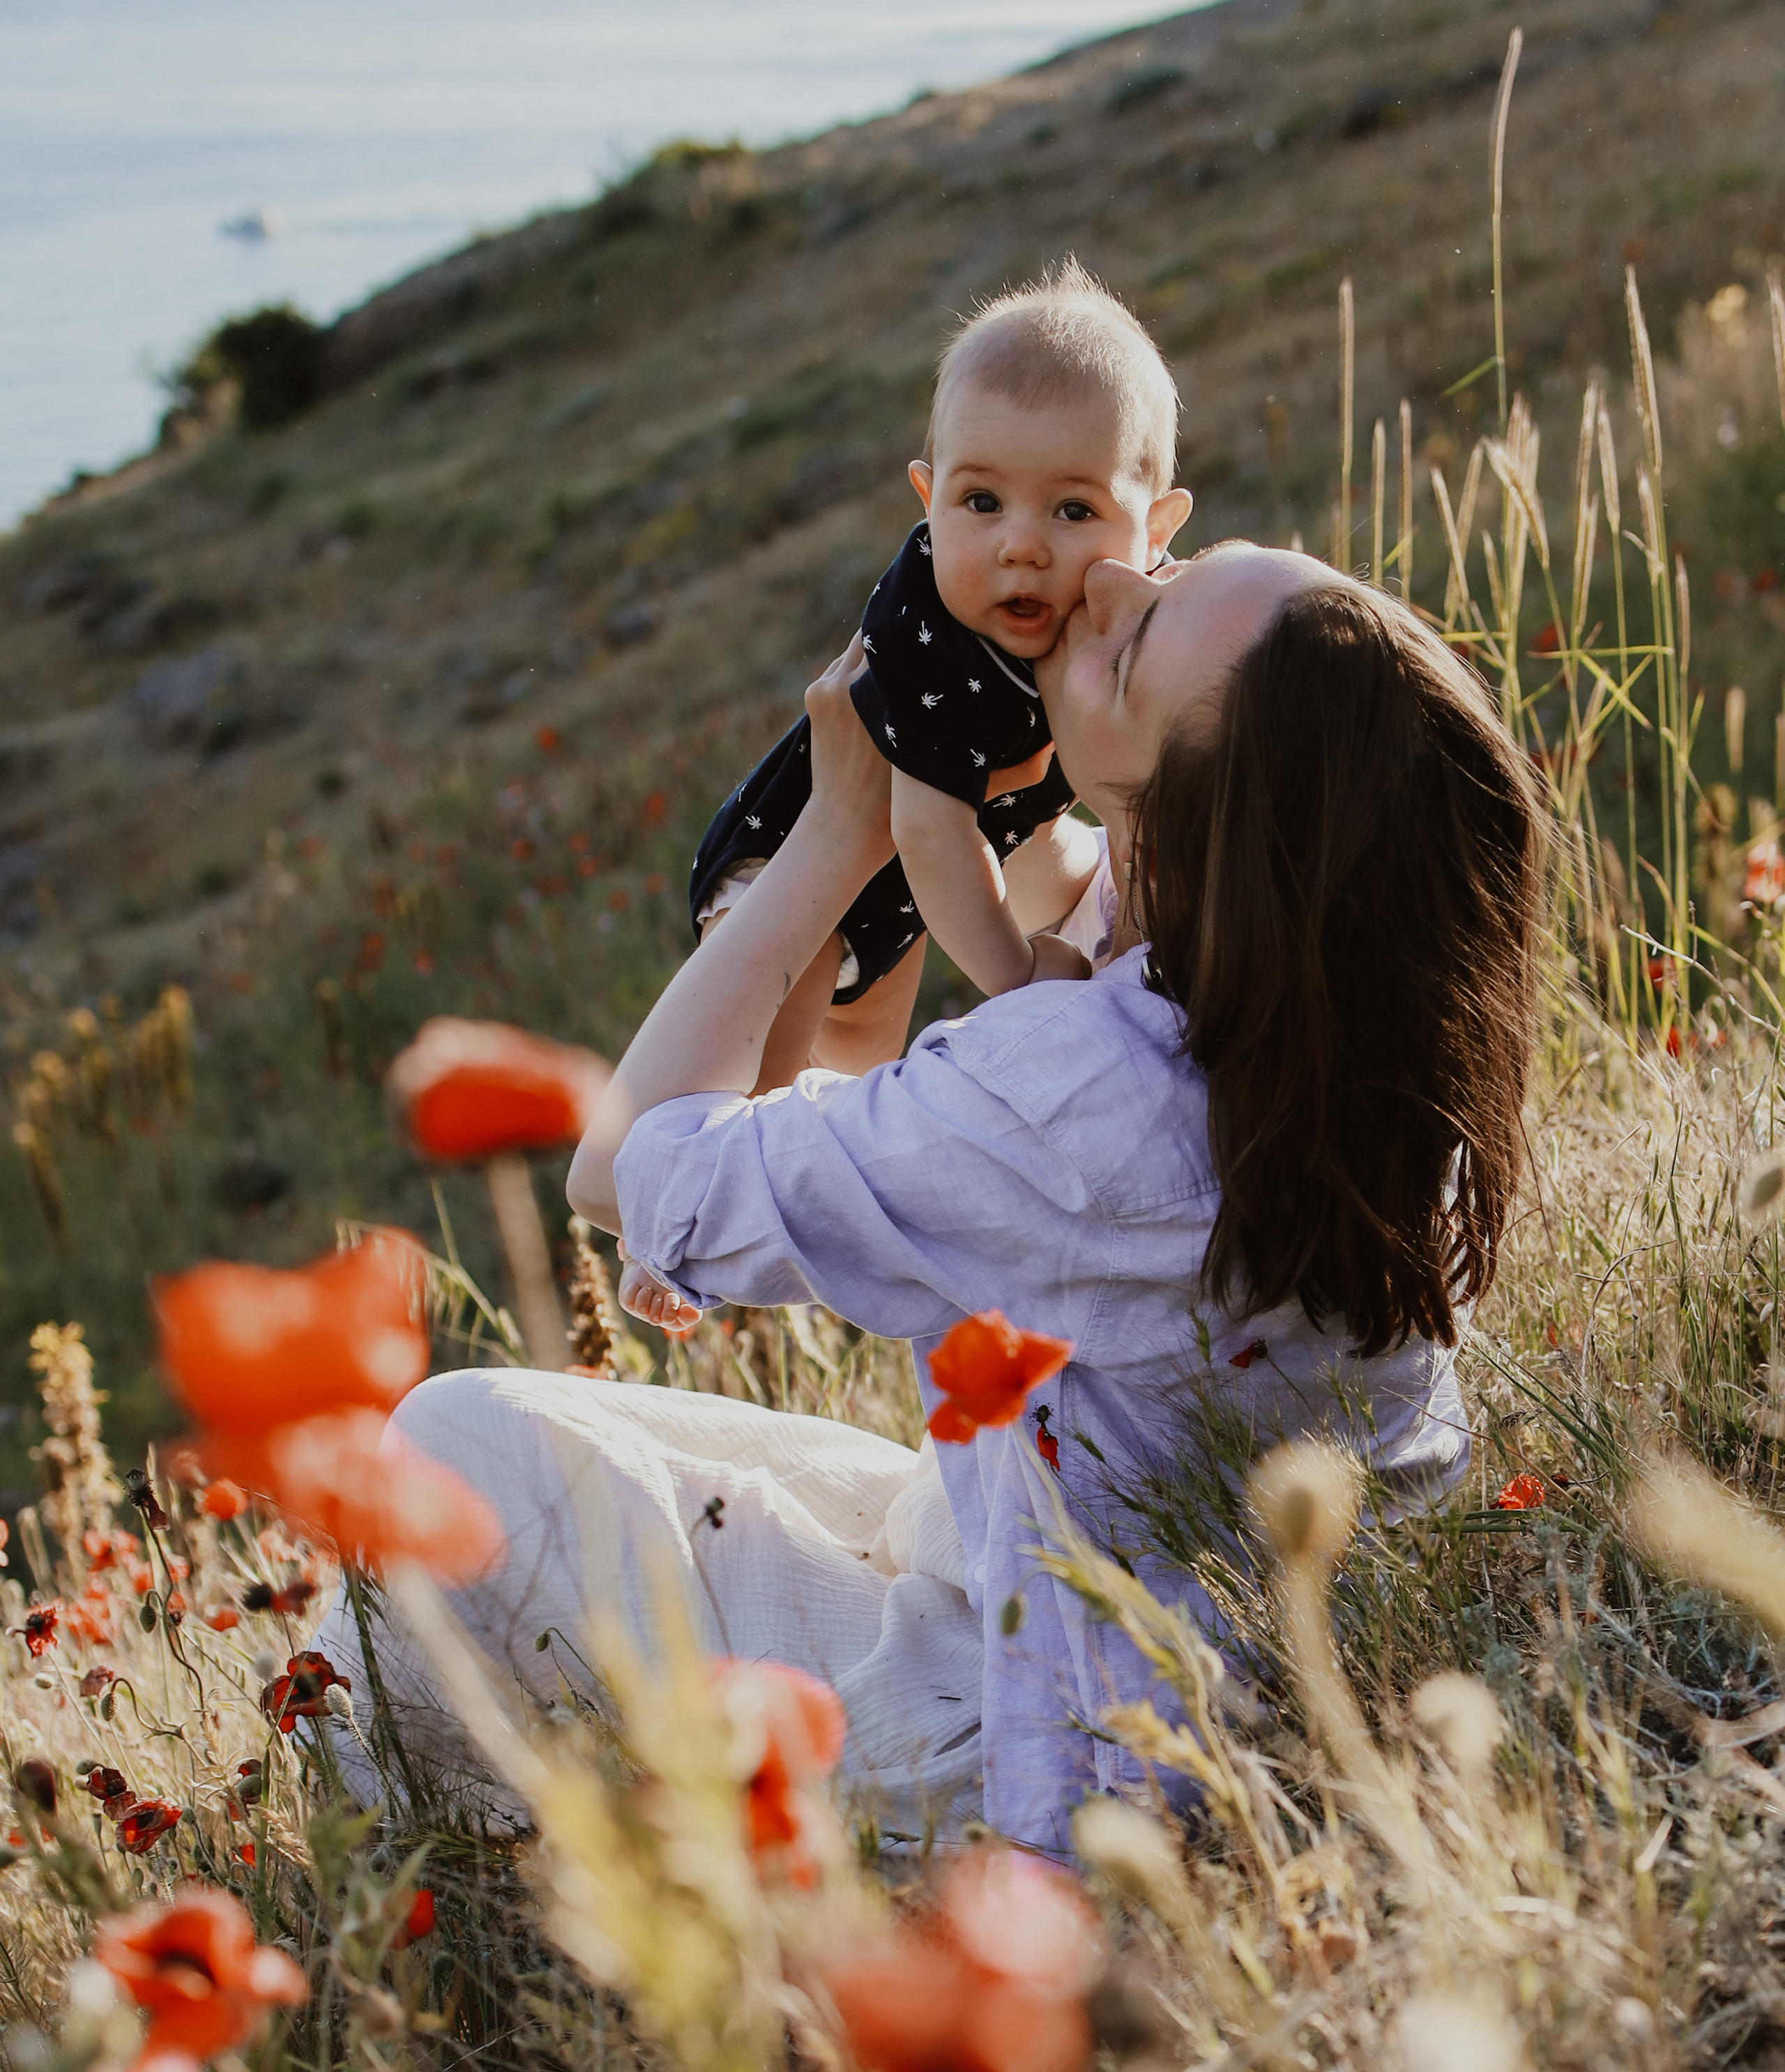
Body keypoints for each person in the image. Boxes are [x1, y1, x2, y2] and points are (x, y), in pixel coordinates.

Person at [312, 542, 1544, 1857]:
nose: (1113, 579)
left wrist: (832, 836)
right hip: (1138, 1589)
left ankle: (476, 1840)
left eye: (1129, 646)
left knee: (453, 1442)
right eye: (1180, 563)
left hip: (1020, 1726)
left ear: (1184, 831)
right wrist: (1013, 734)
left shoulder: (1080, 1103)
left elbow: (627, 1169)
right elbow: (1076, 869)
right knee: (652, 1469)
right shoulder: (1348, 1004)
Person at [623, 264, 1192, 1337]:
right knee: (764, 1092)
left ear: (1154, 526)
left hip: (898, 906)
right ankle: (664, 1239)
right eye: (982, 503)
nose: (1022, 543)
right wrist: (1024, 989)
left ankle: (828, 1234)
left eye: (1074, 508)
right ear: (930, 503)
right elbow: (930, 831)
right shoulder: (937, 642)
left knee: (862, 1078)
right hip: (796, 867)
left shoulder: (1119, 616)